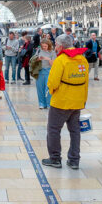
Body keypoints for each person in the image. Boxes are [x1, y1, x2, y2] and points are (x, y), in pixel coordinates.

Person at [42, 34, 88, 169]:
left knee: (53, 129)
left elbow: (53, 83)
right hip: (77, 101)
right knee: (75, 131)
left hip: (61, 102)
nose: (55, 47)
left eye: (56, 45)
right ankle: (74, 160)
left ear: (61, 46)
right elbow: (86, 82)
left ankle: (55, 158)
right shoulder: (82, 59)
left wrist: (51, 92)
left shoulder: (61, 60)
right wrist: (83, 100)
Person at [35, 39, 56, 109]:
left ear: (49, 45)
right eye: (43, 46)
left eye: (45, 46)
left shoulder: (52, 52)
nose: (44, 47)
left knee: (48, 88)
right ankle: (41, 103)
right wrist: (38, 59)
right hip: (39, 71)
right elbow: (34, 60)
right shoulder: (39, 51)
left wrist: (48, 59)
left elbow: (53, 64)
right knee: (40, 88)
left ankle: (48, 103)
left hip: (48, 71)